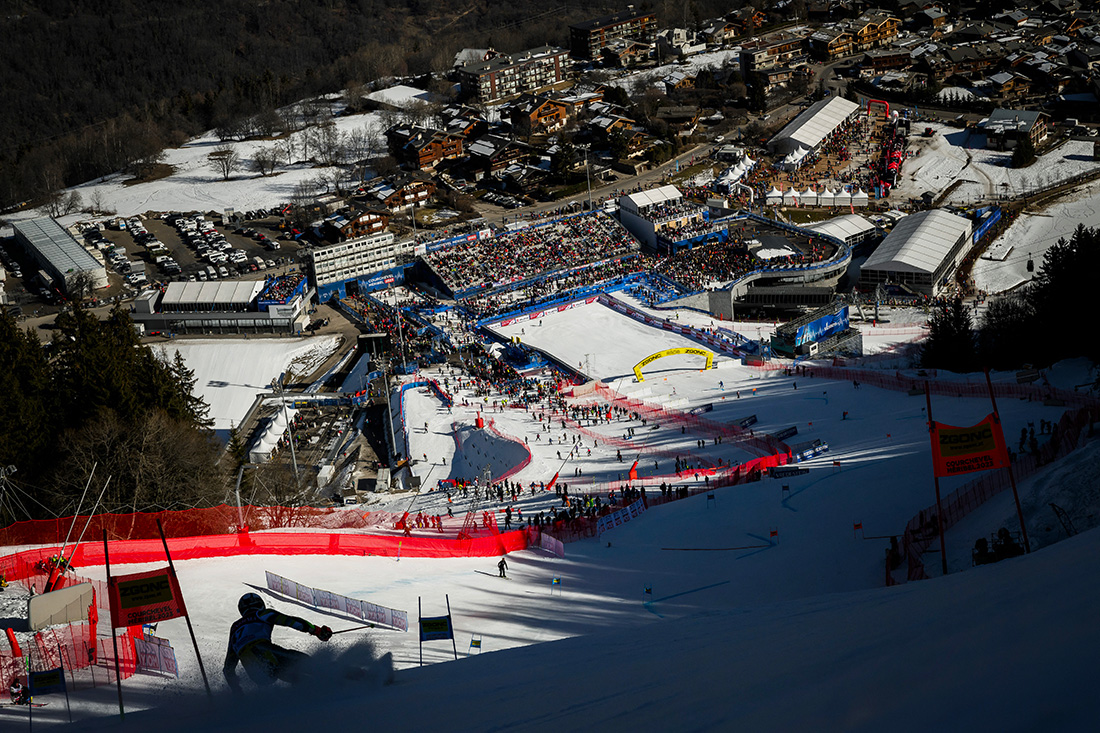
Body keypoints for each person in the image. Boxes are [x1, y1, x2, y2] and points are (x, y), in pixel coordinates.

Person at [223, 593, 332, 692]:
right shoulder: (261, 614)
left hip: (254, 671)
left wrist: (237, 692)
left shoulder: (234, 628)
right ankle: (336, 675)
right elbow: (290, 621)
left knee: (287, 672)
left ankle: (310, 690)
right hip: (263, 650)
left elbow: (228, 667)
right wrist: (317, 631)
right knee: (302, 661)